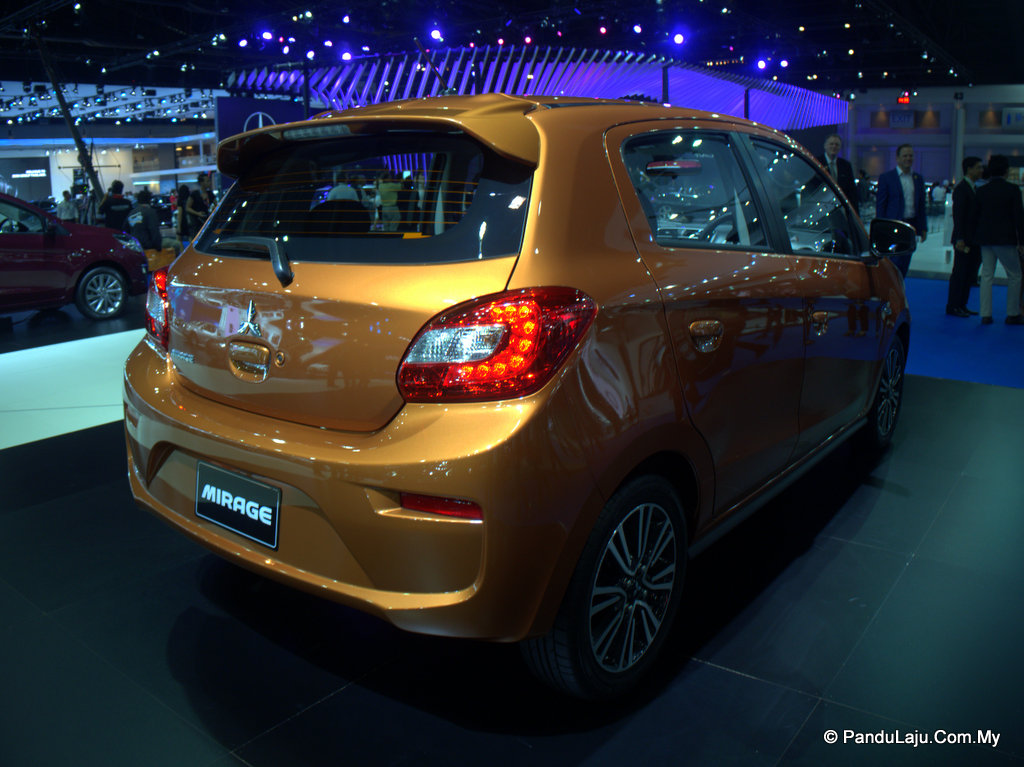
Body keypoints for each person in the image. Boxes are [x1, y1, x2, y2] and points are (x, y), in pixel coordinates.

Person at [970, 154, 1024, 325]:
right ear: (1006, 171)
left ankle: (985, 314)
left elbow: (975, 216)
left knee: (987, 275)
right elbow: (1019, 218)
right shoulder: (1013, 190)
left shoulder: (981, 190)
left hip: (985, 239)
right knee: (1015, 275)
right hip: (1006, 239)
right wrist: (1022, 241)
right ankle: (1012, 313)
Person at [876, 144, 927, 277]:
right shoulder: (887, 178)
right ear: (897, 158)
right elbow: (881, 205)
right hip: (894, 226)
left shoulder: (918, 179)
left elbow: (921, 205)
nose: (908, 158)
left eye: (910, 156)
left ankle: (900, 285)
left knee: (906, 260)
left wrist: (923, 228)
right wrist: (881, 229)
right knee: (894, 261)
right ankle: (891, 287)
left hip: (911, 225)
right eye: (905, 156)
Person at [946, 157, 984, 317]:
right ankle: (953, 305)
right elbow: (959, 216)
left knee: (969, 274)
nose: (981, 170)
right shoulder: (962, 189)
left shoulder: (973, 188)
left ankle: (962, 304)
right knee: (960, 273)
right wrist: (960, 238)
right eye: (978, 167)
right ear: (969, 169)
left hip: (973, 239)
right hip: (964, 239)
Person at [817, 134, 858, 208]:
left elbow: (852, 191)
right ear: (825, 146)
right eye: (831, 144)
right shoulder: (817, 163)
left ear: (840, 147)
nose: (834, 146)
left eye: (837, 144)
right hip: (821, 206)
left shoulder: (846, 166)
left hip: (841, 208)